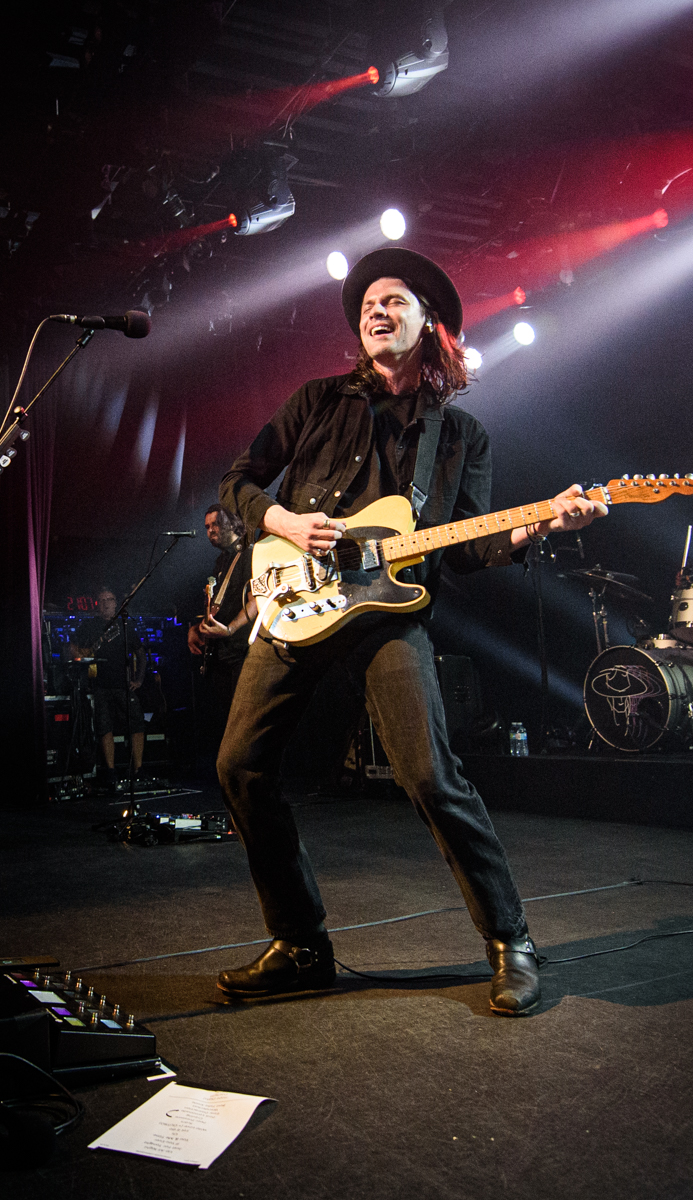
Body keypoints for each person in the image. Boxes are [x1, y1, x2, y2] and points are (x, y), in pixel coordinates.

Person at [215, 247, 606, 1016]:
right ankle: (300, 945)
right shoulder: (317, 402)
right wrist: (284, 521)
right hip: (296, 600)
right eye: (367, 303)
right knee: (239, 765)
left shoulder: (457, 436)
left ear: (429, 323)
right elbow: (237, 483)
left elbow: (464, 549)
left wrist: (539, 524)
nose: (375, 310)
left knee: (428, 775)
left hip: (388, 614)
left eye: (393, 299)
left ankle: (510, 942)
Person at [69, 586, 147, 784]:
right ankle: (111, 771)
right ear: (97, 604)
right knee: (104, 727)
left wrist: (139, 680)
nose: (106, 604)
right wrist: (79, 655)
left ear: (116, 603)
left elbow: (141, 653)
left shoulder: (125, 625)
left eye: (109, 599)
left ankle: (138, 769)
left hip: (124, 685)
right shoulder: (89, 625)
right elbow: (72, 647)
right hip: (99, 685)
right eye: (102, 600)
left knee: (137, 723)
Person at [187, 503, 255, 701]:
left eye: (216, 524)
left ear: (233, 523)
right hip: (220, 653)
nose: (211, 530)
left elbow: (256, 601)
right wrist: (198, 628)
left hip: (242, 652)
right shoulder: (221, 560)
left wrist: (230, 629)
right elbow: (218, 604)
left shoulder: (250, 554)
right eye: (207, 527)